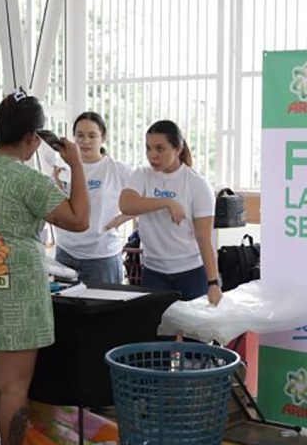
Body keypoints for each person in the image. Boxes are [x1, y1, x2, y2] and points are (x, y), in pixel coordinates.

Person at [0, 91, 88, 445]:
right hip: (18, 290)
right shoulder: (27, 179)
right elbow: (79, 219)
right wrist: (76, 166)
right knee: (13, 387)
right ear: (33, 137)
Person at [119, 120, 222, 304]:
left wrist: (213, 283)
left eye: (160, 148)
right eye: (148, 148)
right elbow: (126, 205)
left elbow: (204, 238)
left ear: (178, 148)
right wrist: (167, 202)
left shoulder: (196, 184)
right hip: (153, 272)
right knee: (159, 331)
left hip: (191, 272)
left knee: (194, 331)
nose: (153, 155)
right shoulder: (142, 175)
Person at [52, 111, 133, 285]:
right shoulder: (63, 169)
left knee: (105, 311)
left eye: (92, 135)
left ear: (103, 138)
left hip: (101, 257)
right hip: (65, 253)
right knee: (66, 311)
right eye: (80, 136)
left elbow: (146, 196)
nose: (85, 141)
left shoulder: (116, 169)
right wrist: (57, 186)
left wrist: (123, 218)